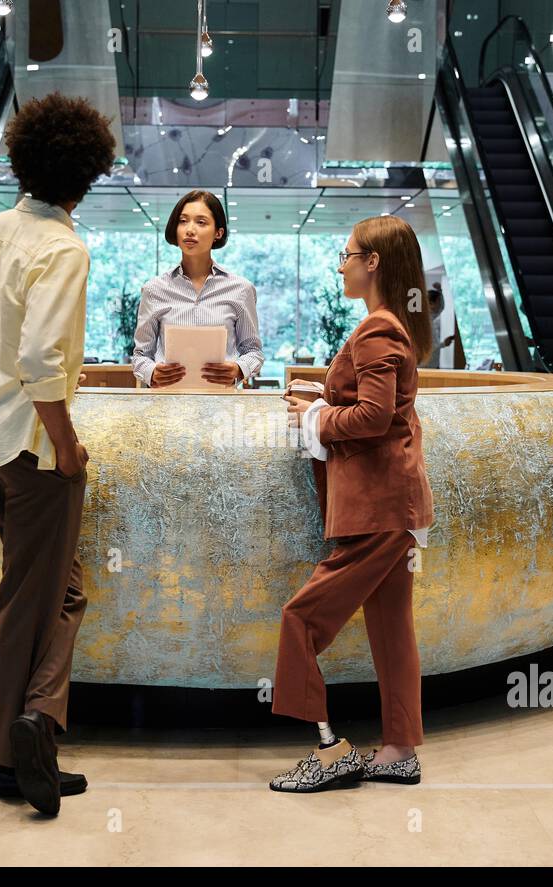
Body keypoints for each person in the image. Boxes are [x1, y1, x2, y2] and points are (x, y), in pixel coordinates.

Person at [0, 92, 115, 817]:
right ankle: (4, 757)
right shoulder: (64, 247)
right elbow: (44, 361)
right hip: (36, 449)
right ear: (88, 173)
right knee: (29, 602)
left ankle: (36, 723)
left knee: (58, 591)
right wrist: (69, 445)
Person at [270, 215, 435, 793]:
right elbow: (379, 407)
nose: (340, 264)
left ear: (373, 263)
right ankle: (398, 751)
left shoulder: (377, 330)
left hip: (376, 507)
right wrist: (326, 396)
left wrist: (316, 415)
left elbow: (372, 418)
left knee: (301, 619)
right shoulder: (391, 327)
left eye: (346, 254)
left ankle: (329, 750)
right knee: (392, 630)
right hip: (393, 506)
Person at [132, 190, 264, 388]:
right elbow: (141, 355)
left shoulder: (241, 289)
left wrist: (238, 369)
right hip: (167, 405)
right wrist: (152, 373)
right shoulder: (154, 290)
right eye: (183, 221)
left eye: (201, 222)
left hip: (222, 407)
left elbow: (253, 351)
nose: (189, 230)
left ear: (218, 233)